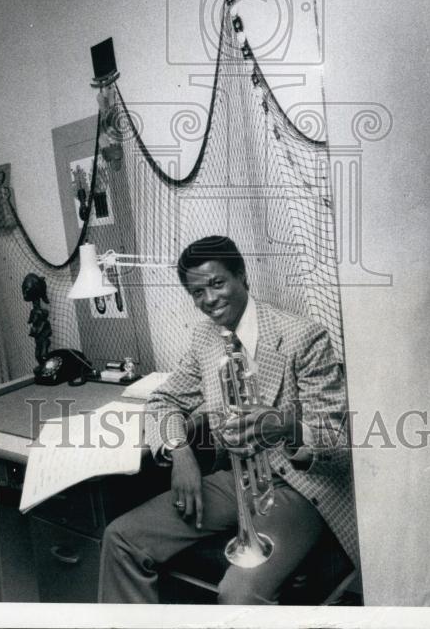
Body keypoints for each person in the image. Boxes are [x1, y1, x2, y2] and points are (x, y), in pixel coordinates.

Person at [98, 235, 357, 605]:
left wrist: (286, 425)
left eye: (217, 284)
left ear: (241, 276)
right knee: (121, 537)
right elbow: (163, 400)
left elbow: (337, 442)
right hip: (235, 480)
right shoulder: (205, 338)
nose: (209, 300)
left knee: (238, 594)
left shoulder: (302, 336)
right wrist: (180, 453)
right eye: (197, 293)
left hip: (298, 487)